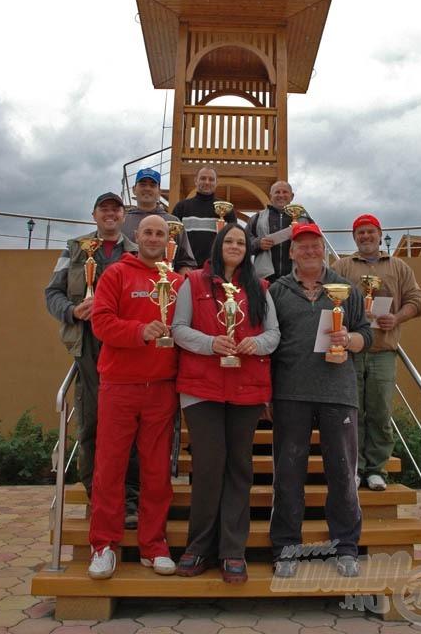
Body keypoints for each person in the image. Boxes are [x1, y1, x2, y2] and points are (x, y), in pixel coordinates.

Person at [172, 223, 280, 584]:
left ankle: (233, 550)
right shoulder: (194, 283)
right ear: (218, 246)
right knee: (207, 465)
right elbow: (179, 328)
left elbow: (273, 333)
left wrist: (257, 345)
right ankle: (199, 546)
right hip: (202, 388)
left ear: (246, 249)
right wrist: (210, 343)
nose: (234, 246)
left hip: (246, 387)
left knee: (239, 466)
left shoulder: (260, 287)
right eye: (228, 241)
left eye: (240, 242)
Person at [269, 223, 373, 579]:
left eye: (315, 245)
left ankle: (346, 547)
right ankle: (286, 548)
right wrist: (267, 393)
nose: (310, 251)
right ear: (292, 252)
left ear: (324, 250)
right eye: (303, 246)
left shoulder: (347, 290)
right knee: (287, 473)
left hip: (338, 393)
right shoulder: (278, 291)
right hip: (289, 393)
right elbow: (269, 342)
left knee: (342, 474)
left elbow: (367, 333)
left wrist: (351, 340)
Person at [87, 215, 184, 579]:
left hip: (161, 386)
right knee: (110, 467)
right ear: (136, 236)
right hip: (119, 384)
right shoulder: (115, 274)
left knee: (157, 471)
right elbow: (101, 322)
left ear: (168, 239)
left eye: (161, 233)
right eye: (148, 232)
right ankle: (103, 545)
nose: (154, 238)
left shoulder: (175, 282)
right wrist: (141, 331)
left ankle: (153, 545)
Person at [45, 192, 140, 524]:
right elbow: (52, 293)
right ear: (94, 214)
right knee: (91, 423)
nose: (110, 214)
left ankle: (129, 499)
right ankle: (98, 493)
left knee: (131, 426)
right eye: (105, 209)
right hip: (87, 347)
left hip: (127, 348)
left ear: (124, 215)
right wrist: (72, 311)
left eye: (116, 209)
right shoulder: (73, 248)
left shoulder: (138, 251)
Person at [333, 214, 421, 491]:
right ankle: (355, 467)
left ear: (379, 233)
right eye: (360, 233)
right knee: (352, 412)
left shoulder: (398, 266)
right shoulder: (341, 266)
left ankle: (376, 469)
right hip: (350, 351)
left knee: (381, 412)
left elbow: (416, 302)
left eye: (370, 232)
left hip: (383, 351)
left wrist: (396, 318)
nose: (366, 237)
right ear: (354, 237)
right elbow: (327, 300)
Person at [123, 167, 197, 276]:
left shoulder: (174, 222)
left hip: (164, 289)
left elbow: (186, 262)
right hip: (126, 287)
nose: (147, 188)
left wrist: (177, 285)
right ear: (134, 189)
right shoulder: (122, 221)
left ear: (159, 191)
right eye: (143, 184)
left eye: (152, 185)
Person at [246, 180, 314, 282]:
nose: (281, 195)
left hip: (298, 278)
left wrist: (301, 240)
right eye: (277, 192)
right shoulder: (257, 218)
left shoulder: (304, 220)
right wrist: (258, 243)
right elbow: (244, 243)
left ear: (292, 196)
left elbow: (317, 243)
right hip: (265, 278)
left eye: (285, 192)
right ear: (271, 196)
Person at [171, 166, 236, 268]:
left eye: (211, 179)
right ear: (195, 181)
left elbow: (233, 240)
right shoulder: (181, 207)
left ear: (216, 182)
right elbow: (172, 239)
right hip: (186, 268)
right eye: (203, 178)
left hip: (216, 268)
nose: (207, 182)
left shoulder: (226, 209)